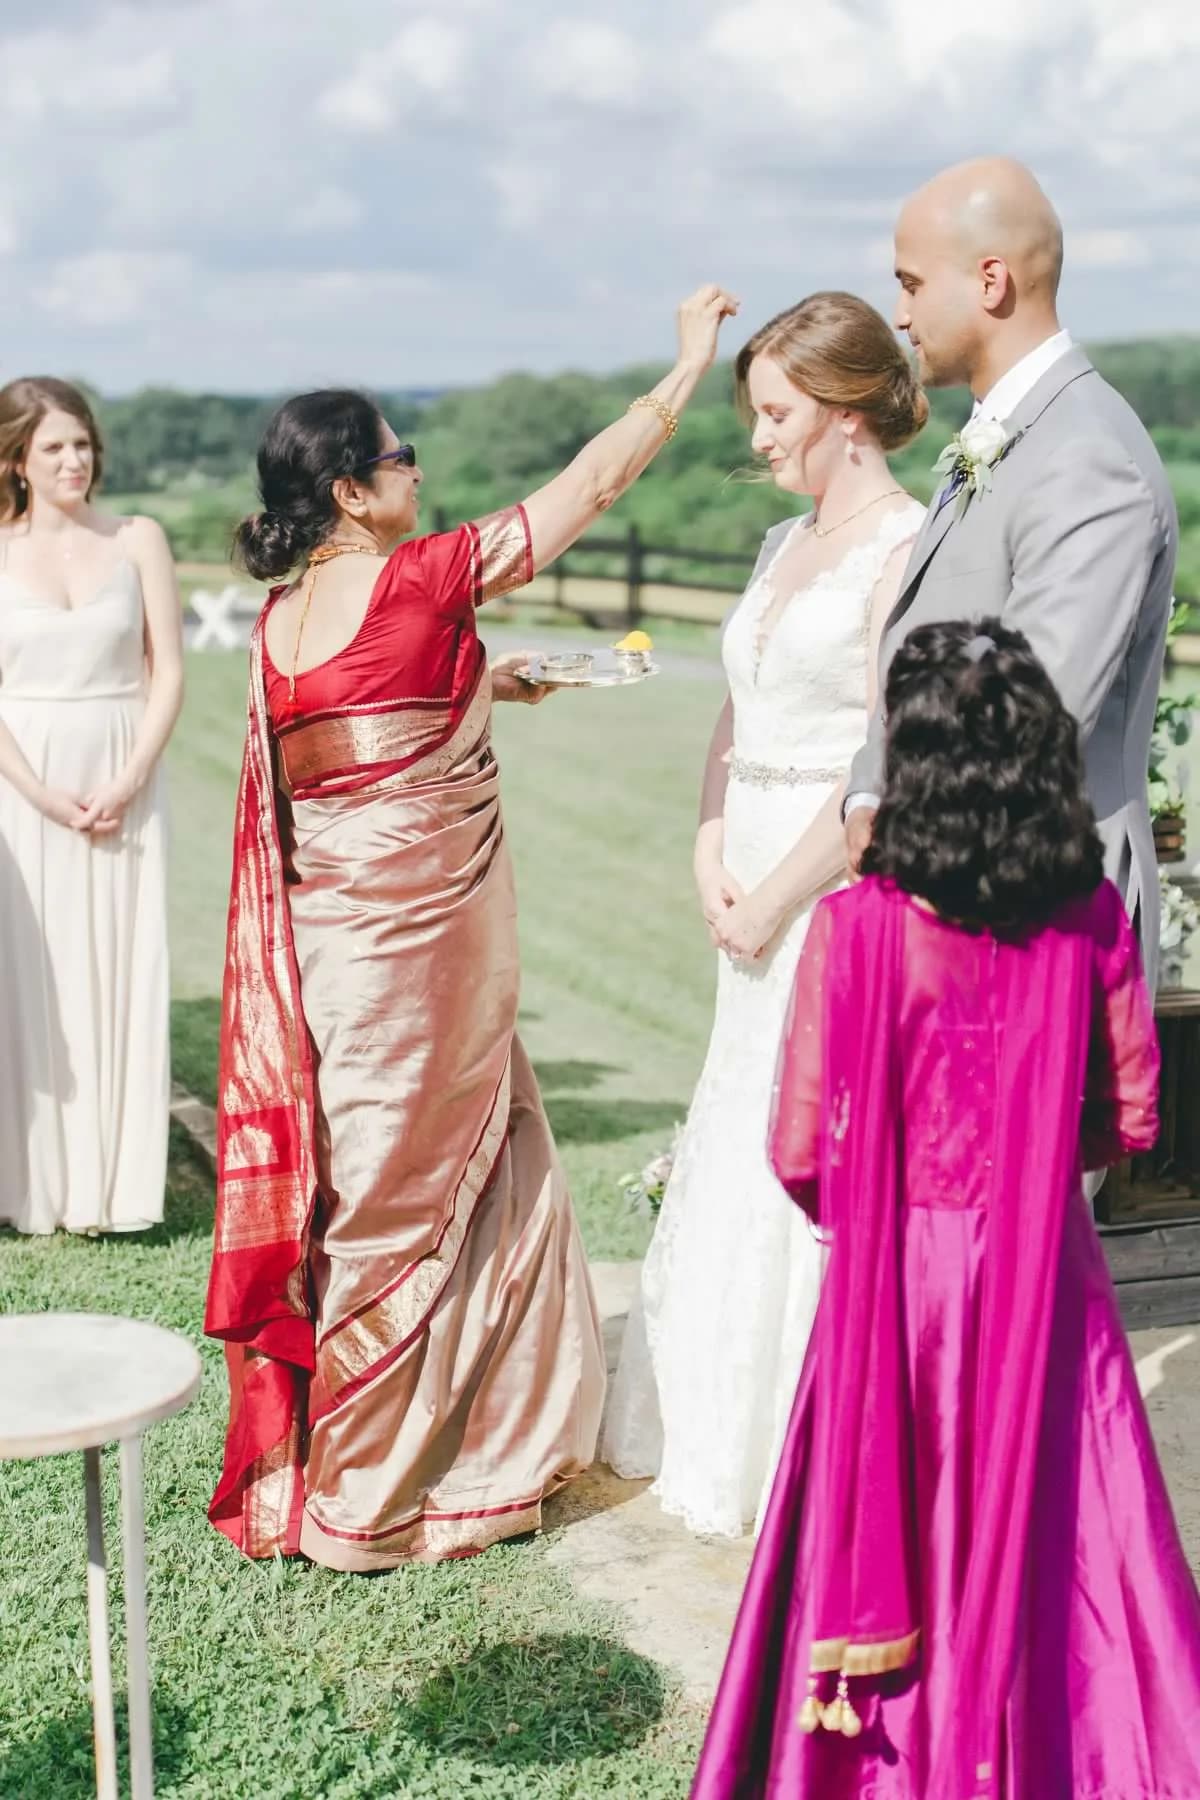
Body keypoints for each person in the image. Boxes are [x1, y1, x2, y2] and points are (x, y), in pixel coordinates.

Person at [205, 286, 740, 1569]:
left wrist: (483, 680)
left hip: (331, 957)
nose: (418, 470)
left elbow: (348, 738)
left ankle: (438, 1444)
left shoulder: (278, 627)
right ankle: (367, 1496)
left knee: (371, 1179)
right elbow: (591, 486)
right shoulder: (425, 575)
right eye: (401, 456)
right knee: (405, 1194)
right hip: (423, 955)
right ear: (350, 493)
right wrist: (685, 368)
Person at [692, 621, 1200, 1800]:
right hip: (1047, 1272)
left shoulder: (856, 927)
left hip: (897, 1287)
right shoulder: (1086, 915)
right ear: (1040, 758)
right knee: (1073, 1528)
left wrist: (903, 1196)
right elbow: (1133, 1117)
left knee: (893, 1505)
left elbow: (800, 1151)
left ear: (909, 765)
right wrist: (1029, 1165)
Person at [603, 293, 927, 1537]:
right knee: (738, 1120)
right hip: (741, 876)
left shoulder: (905, 549)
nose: (759, 438)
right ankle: (711, 1415)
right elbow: (736, 711)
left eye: (778, 413)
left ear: (847, 414)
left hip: (827, 891)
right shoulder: (780, 542)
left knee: (809, 1132)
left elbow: (887, 763)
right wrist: (705, 848)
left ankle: (805, 1431)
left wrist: (778, 898)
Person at [846, 157, 1177, 988]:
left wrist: (909, 831)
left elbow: (1039, 714)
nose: (899, 314)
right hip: (952, 895)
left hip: (1044, 916)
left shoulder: (1087, 455)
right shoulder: (1002, 433)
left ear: (990, 282)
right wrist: (868, 793)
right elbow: (921, 647)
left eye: (912, 284)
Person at [0, 377, 181, 1235]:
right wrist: (36, 790)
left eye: (82, 444)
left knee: (118, 967)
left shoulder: (138, 538)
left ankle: (113, 1190)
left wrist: (130, 775)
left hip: (122, 771)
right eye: (53, 448)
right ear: (16, 460)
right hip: (22, 783)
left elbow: (167, 671)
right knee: (27, 975)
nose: (73, 461)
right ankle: (28, 1183)